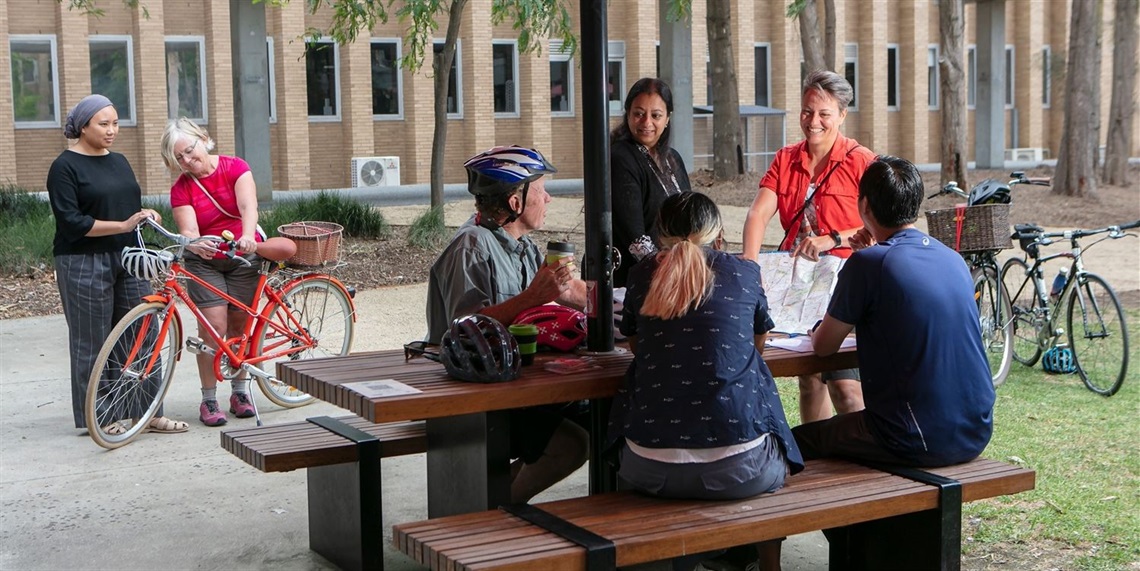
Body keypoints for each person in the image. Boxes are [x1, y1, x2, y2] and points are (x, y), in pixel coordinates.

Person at [609, 191, 802, 571]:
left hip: (646, 466)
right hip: (742, 469)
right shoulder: (744, 272)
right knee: (760, 393)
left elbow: (637, 344)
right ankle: (764, 563)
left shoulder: (641, 274)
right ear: (718, 234)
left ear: (660, 232)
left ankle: (704, 556)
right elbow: (756, 346)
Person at [793, 155, 995, 467]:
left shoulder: (868, 264)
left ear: (864, 206)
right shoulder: (952, 259)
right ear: (915, 204)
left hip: (913, 435)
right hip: (976, 430)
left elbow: (823, 347)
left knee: (795, 441)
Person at [425, 145, 589, 503]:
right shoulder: (471, 247)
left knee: (596, 418)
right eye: (541, 189)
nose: (548, 198)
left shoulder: (523, 246)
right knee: (572, 443)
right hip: (470, 397)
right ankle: (495, 517)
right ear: (516, 202)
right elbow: (463, 330)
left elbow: (570, 293)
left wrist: (618, 301)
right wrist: (532, 296)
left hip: (511, 385)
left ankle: (490, 503)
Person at [740, 69, 875, 426]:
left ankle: (861, 457)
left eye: (824, 114)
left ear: (842, 115)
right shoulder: (786, 158)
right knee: (808, 377)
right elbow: (758, 214)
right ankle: (818, 458)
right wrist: (750, 271)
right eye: (806, 111)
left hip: (845, 283)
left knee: (845, 386)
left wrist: (833, 238)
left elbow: (878, 224)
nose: (813, 122)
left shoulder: (861, 161)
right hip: (800, 285)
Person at [47, 94, 188, 435]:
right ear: (83, 127)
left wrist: (143, 217)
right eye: (103, 124)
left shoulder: (120, 161)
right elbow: (72, 223)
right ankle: (102, 419)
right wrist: (123, 225)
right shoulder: (64, 167)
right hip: (82, 261)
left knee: (142, 334)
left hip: (129, 258)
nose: (112, 130)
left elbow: (128, 208)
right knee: (92, 341)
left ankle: (148, 412)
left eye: (115, 123)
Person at [160, 118, 263, 427]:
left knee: (239, 325)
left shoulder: (235, 167)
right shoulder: (182, 188)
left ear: (203, 139)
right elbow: (188, 229)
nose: (187, 161)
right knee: (212, 328)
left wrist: (247, 237)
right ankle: (208, 398)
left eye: (190, 151)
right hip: (206, 261)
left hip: (243, 255)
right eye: (179, 158)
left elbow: (248, 208)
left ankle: (240, 392)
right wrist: (195, 244)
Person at [610, 77, 692, 288]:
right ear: (628, 113)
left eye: (656, 115)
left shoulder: (673, 158)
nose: (647, 122)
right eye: (638, 114)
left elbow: (690, 216)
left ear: (667, 119)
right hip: (634, 281)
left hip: (674, 274)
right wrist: (666, 273)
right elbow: (636, 240)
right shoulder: (619, 157)